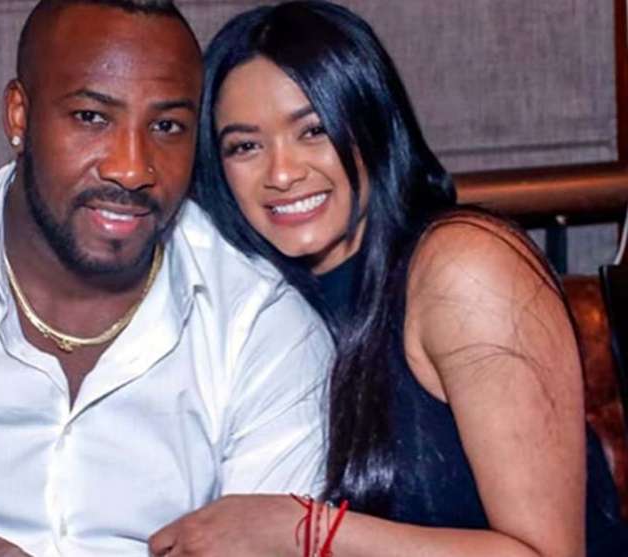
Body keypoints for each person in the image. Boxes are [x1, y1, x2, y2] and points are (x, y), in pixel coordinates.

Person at [0, 1, 333, 554]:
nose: (132, 168)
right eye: (92, 117)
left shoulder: (262, 329)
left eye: (166, 126)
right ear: (19, 117)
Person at [149, 2, 628, 556]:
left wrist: (303, 530)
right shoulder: (246, 297)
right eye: (246, 146)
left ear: (371, 125)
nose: (281, 173)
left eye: (314, 130)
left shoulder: (464, 266)